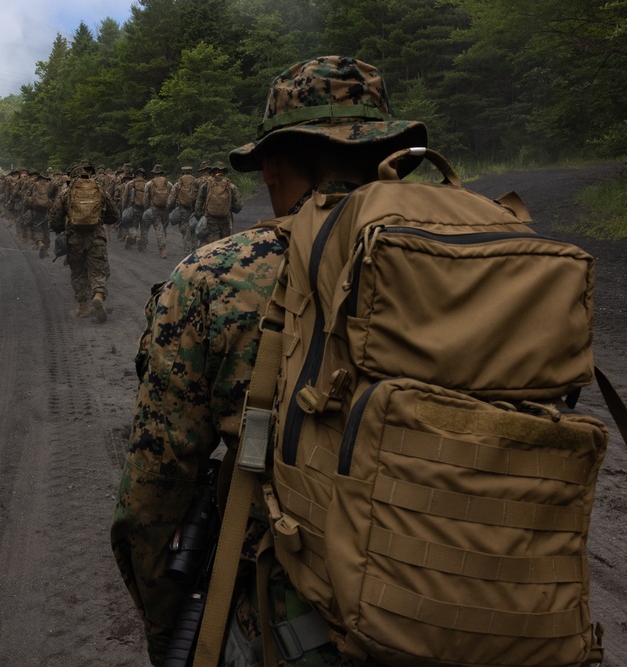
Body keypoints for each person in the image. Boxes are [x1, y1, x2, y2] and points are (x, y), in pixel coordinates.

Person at [110, 56, 428, 666]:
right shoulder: (469, 265)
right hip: (459, 600)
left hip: (293, 617)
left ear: (274, 164)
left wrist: (166, 631)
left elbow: (154, 491)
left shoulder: (213, 278)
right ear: (392, 157)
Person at [49, 159, 119, 322]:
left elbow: (54, 219)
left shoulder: (66, 193)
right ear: (86, 175)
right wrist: (100, 221)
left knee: (78, 272)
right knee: (99, 270)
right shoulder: (99, 189)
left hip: (74, 239)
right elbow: (114, 214)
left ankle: (83, 308)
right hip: (97, 237)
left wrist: (62, 229)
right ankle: (99, 295)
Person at [194, 162, 242, 246]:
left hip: (211, 220)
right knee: (225, 244)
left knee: (214, 244)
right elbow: (238, 205)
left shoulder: (205, 186)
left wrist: (199, 216)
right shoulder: (230, 186)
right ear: (225, 173)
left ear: (212, 173)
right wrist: (229, 208)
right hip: (225, 219)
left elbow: (198, 204)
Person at [143, 164, 172, 259]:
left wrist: (147, 208)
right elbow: (172, 196)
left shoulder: (149, 184)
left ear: (154, 173)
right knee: (164, 228)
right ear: (162, 173)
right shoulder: (168, 183)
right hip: (165, 209)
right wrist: (170, 207)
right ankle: (163, 246)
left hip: (155, 209)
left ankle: (162, 249)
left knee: (158, 229)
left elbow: (146, 198)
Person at [168, 165, 199, 255]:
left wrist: (169, 208)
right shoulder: (197, 182)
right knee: (194, 231)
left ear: (182, 173)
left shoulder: (178, 184)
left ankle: (188, 254)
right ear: (192, 173)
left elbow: (171, 199)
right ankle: (196, 252)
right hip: (195, 211)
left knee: (186, 233)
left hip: (183, 211)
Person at [123, 166, 148, 251]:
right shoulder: (148, 184)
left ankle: (136, 237)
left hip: (134, 207)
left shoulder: (130, 183)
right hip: (145, 209)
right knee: (144, 228)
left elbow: (125, 197)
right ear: (144, 175)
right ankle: (143, 246)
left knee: (132, 225)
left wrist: (124, 208)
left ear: (136, 175)